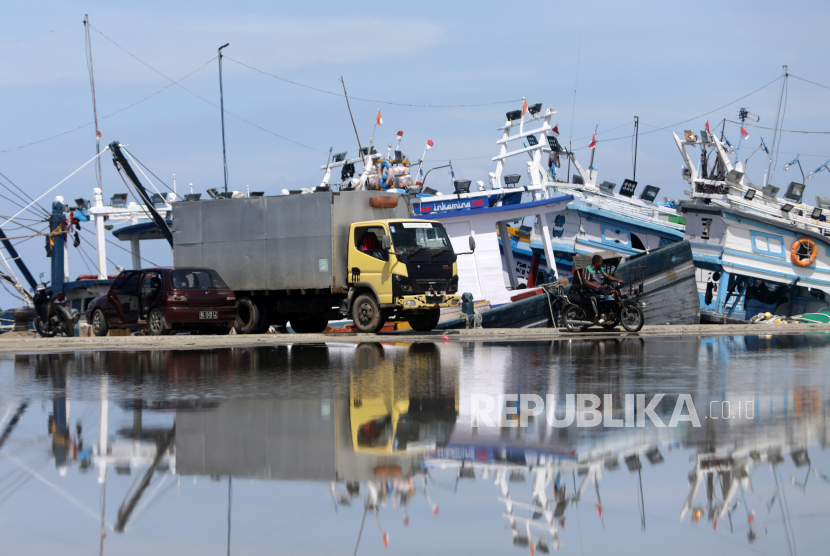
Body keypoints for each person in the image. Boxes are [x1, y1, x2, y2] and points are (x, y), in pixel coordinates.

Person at [582, 254, 623, 324]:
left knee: (611, 294)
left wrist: (618, 280)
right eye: (601, 262)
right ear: (596, 262)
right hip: (588, 291)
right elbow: (585, 281)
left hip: (598, 290)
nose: (602, 263)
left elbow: (608, 277)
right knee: (596, 297)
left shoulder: (600, 269)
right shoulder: (587, 269)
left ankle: (612, 315)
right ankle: (597, 317)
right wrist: (596, 286)